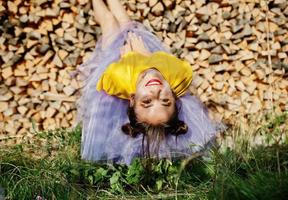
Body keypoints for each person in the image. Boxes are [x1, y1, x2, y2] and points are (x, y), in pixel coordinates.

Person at [76, 0, 223, 165]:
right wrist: (146, 56)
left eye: (147, 101)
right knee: (126, 22)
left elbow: (102, 82)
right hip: (145, 52)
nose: (156, 93)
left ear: (132, 100)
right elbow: (178, 68)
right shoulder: (176, 75)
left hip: (119, 57)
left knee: (109, 20)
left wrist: (128, 59)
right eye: (165, 101)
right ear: (175, 96)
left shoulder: (119, 77)